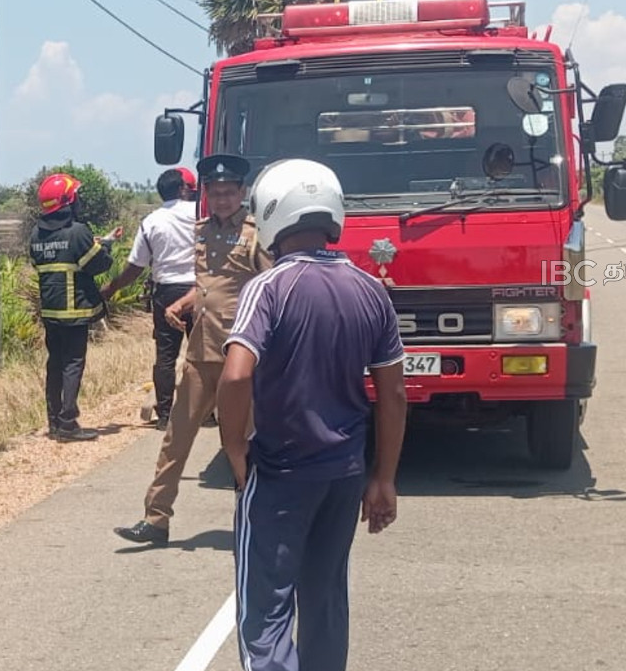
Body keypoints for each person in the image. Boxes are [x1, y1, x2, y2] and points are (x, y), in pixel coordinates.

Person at [215, 159, 408, 671]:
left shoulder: (269, 287)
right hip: (344, 473)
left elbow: (235, 376)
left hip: (281, 472)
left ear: (274, 219)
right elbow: (393, 395)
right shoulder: (371, 291)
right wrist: (383, 478)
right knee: (324, 600)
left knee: (266, 612)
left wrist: (234, 446)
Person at [114, 154, 273, 546]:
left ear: (242, 193)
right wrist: (182, 303)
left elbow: (272, 286)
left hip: (242, 355)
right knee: (176, 437)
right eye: (214, 193)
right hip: (201, 352)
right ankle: (156, 519)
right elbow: (209, 284)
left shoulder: (256, 234)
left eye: (228, 193)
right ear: (205, 194)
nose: (221, 200)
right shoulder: (201, 232)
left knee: (242, 444)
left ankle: (255, 519)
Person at [99, 167, 198, 430]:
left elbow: (135, 267)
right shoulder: (201, 214)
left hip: (166, 292)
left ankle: (165, 415)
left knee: (166, 355)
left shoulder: (152, 221)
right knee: (201, 352)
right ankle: (207, 412)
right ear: (183, 189)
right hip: (199, 290)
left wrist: (111, 288)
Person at [28, 172, 118, 442]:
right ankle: (69, 423)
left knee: (55, 364)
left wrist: (98, 243)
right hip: (75, 312)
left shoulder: (36, 234)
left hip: (51, 313)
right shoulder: (78, 231)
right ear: (69, 201)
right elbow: (98, 265)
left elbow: (56, 256)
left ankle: (55, 422)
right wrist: (106, 248)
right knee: (73, 365)